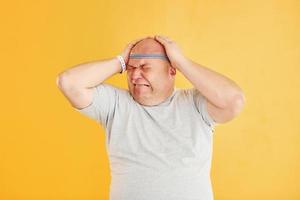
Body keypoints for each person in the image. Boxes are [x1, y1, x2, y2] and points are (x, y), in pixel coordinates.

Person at [56, 35, 245, 200]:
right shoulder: (115, 104)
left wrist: (180, 61)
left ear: (171, 70)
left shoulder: (195, 104)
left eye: (145, 67)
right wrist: (120, 61)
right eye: (130, 68)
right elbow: (68, 82)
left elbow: (233, 100)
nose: (135, 75)